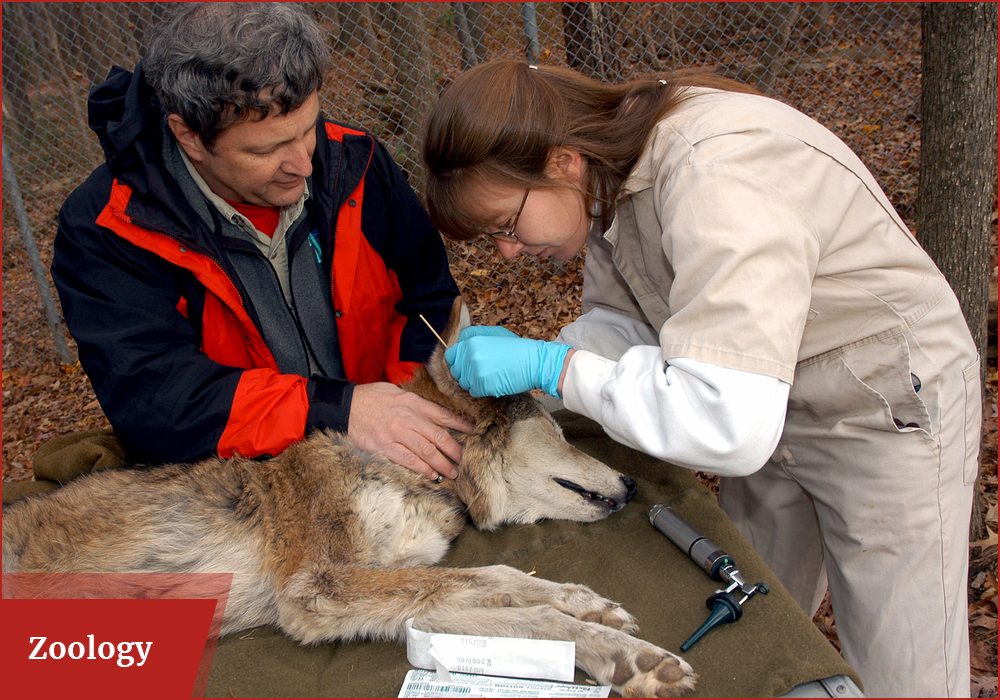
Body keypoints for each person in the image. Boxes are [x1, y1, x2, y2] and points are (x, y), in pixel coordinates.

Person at [421, 60, 981, 697]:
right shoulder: (611, 179)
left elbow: (727, 423)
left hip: (880, 403)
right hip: (776, 401)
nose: (507, 251)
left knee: (903, 666)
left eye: (505, 225)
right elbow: (629, 321)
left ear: (561, 161)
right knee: (754, 618)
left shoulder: (715, 172)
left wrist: (553, 366)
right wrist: (540, 366)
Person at [51, 3, 472, 482]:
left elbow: (429, 300)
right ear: (188, 136)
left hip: (390, 460)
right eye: (266, 149)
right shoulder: (109, 225)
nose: (303, 164)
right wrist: (341, 413)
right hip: (249, 491)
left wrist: (408, 405)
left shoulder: (354, 160)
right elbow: (159, 404)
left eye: (307, 129)